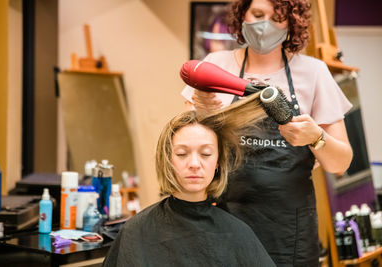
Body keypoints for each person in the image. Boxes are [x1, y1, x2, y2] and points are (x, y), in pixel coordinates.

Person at [181, 0, 353, 266]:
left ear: (292, 22)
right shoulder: (216, 65)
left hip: (289, 232)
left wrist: (316, 137)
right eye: (258, 14)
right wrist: (201, 114)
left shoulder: (313, 72)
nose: (265, 25)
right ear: (242, 15)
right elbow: (186, 148)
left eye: (278, 18)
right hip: (225, 222)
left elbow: (341, 163)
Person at [102, 94, 276, 266]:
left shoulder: (237, 233)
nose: (194, 164)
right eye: (182, 154)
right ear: (168, 160)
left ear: (218, 162)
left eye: (205, 154)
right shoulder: (136, 231)